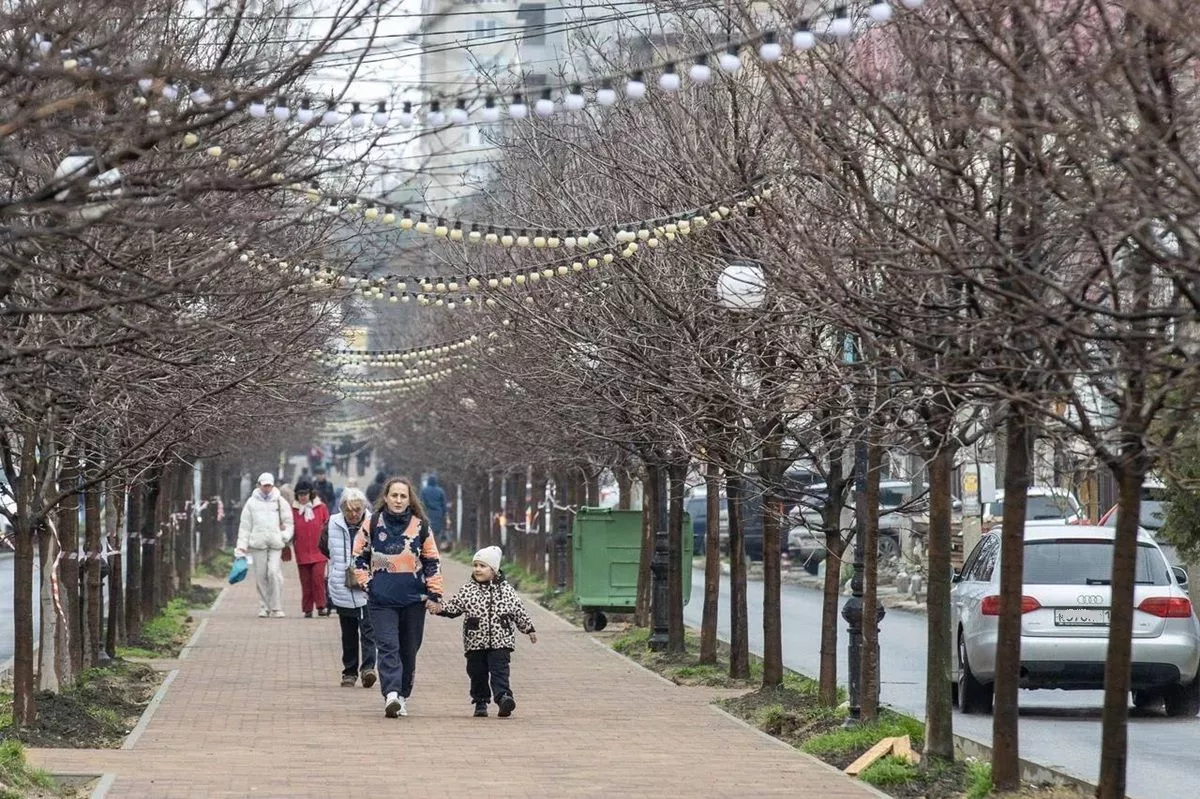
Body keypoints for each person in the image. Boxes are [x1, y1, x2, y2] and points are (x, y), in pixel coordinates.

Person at [353, 476, 443, 718]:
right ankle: (391, 694)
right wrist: (368, 584)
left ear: (409, 499)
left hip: (414, 599)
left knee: (408, 649)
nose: (398, 500)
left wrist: (435, 593)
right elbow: (358, 557)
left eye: (403, 496)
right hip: (381, 600)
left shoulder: (421, 526)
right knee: (388, 646)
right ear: (386, 497)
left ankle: (402, 694)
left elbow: (432, 560)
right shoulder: (372, 524)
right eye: (394, 495)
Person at [429, 545, 537, 718]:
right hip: (475, 641)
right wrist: (439, 608)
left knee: (499, 670)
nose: (477, 569)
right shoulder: (468, 590)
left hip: (502, 640)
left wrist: (528, 628)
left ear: (493, 570)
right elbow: (454, 607)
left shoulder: (506, 591)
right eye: (476, 565)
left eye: (482, 566)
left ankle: (504, 698)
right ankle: (480, 702)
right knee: (477, 673)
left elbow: (518, 610)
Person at [320, 488, 376, 688]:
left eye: (357, 510)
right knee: (348, 631)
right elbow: (324, 547)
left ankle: (368, 668)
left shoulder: (374, 523)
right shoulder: (333, 523)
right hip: (341, 584)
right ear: (342, 508)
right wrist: (338, 566)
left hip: (366, 584)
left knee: (368, 629)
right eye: (349, 510)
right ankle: (349, 671)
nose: (353, 514)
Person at [235, 473, 294, 618]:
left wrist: (285, 536)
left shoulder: (280, 501)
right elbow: (245, 526)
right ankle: (264, 606)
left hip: (275, 544)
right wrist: (241, 546)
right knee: (261, 576)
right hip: (257, 544)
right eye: (264, 485)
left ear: (273, 485)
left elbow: (289, 522)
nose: (267, 488)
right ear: (259, 485)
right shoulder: (251, 503)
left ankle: (277, 606)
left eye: (269, 485)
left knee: (274, 573)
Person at [291, 479, 330, 618]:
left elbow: (328, 526)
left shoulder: (321, 508)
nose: (302, 497)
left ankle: (321, 606)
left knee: (317, 579)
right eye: (300, 494)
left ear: (311, 494)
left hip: (319, 552)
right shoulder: (293, 510)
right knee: (306, 582)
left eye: (305, 494)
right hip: (302, 552)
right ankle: (307, 609)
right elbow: (290, 529)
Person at [419, 475, 448, 540]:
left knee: (427, 529)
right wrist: (445, 513)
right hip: (438, 513)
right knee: (437, 531)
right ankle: (436, 545)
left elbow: (421, 502)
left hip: (428, 512)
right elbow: (443, 503)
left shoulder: (424, 490)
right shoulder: (440, 491)